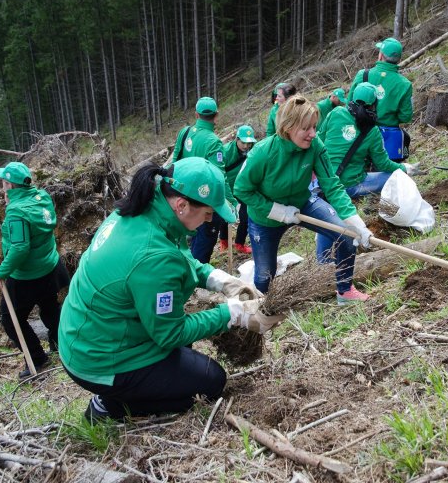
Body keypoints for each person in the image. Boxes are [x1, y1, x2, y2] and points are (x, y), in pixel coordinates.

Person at [59, 157, 282, 423]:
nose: (210, 221)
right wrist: (233, 314)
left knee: (186, 355)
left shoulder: (146, 210)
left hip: (91, 333)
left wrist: (219, 279)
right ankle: (110, 405)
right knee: (212, 382)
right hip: (100, 359)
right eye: (208, 214)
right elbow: (170, 333)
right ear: (182, 205)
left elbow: (180, 255)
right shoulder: (152, 257)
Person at [235, 94, 374, 305]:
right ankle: (260, 308)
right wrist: (277, 211)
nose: (312, 134)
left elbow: (332, 184)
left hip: (302, 202)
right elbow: (242, 189)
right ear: (288, 127)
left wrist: (354, 220)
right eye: (306, 128)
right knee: (265, 276)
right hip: (266, 218)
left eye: (314, 127)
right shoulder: (263, 153)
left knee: (346, 235)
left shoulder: (315, 145)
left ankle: (345, 292)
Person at [315, 83, 423, 263]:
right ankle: (392, 215)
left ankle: (322, 262)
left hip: (325, 182)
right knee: (393, 178)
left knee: (329, 217)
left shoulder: (335, 114)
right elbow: (382, 163)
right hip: (353, 184)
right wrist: (405, 168)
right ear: (374, 105)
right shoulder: (372, 132)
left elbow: (319, 139)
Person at [0, 161, 69, 379]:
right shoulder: (41, 197)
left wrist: (2, 271)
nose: (1, 187)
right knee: (50, 308)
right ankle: (61, 346)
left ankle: (36, 357)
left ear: (11, 185)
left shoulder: (16, 213)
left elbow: (19, 248)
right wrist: (11, 205)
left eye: (4, 183)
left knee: (10, 319)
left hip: (26, 276)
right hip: (50, 267)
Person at [163, 96, 236, 264]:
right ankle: (195, 279)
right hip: (205, 198)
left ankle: (184, 269)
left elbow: (175, 160)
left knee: (186, 237)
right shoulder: (213, 142)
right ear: (216, 116)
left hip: (182, 195)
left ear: (196, 115)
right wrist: (231, 202)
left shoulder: (185, 132)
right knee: (204, 242)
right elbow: (220, 176)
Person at [348, 37, 413, 161]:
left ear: (381, 55)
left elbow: (349, 104)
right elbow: (406, 117)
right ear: (399, 59)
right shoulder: (405, 84)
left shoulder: (363, 75)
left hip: (361, 136)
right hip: (388, 141)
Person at [218, 125, 257, 254]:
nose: (246, 146)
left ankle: (240, 243)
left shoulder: (252, 152)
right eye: (243, 142)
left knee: (245, 216)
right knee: (225, 216)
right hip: (225, 188)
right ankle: (223, 241)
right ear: (237, 139)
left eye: (249, 143)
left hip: (241, 188)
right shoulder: (225, 151)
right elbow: (218, 171)